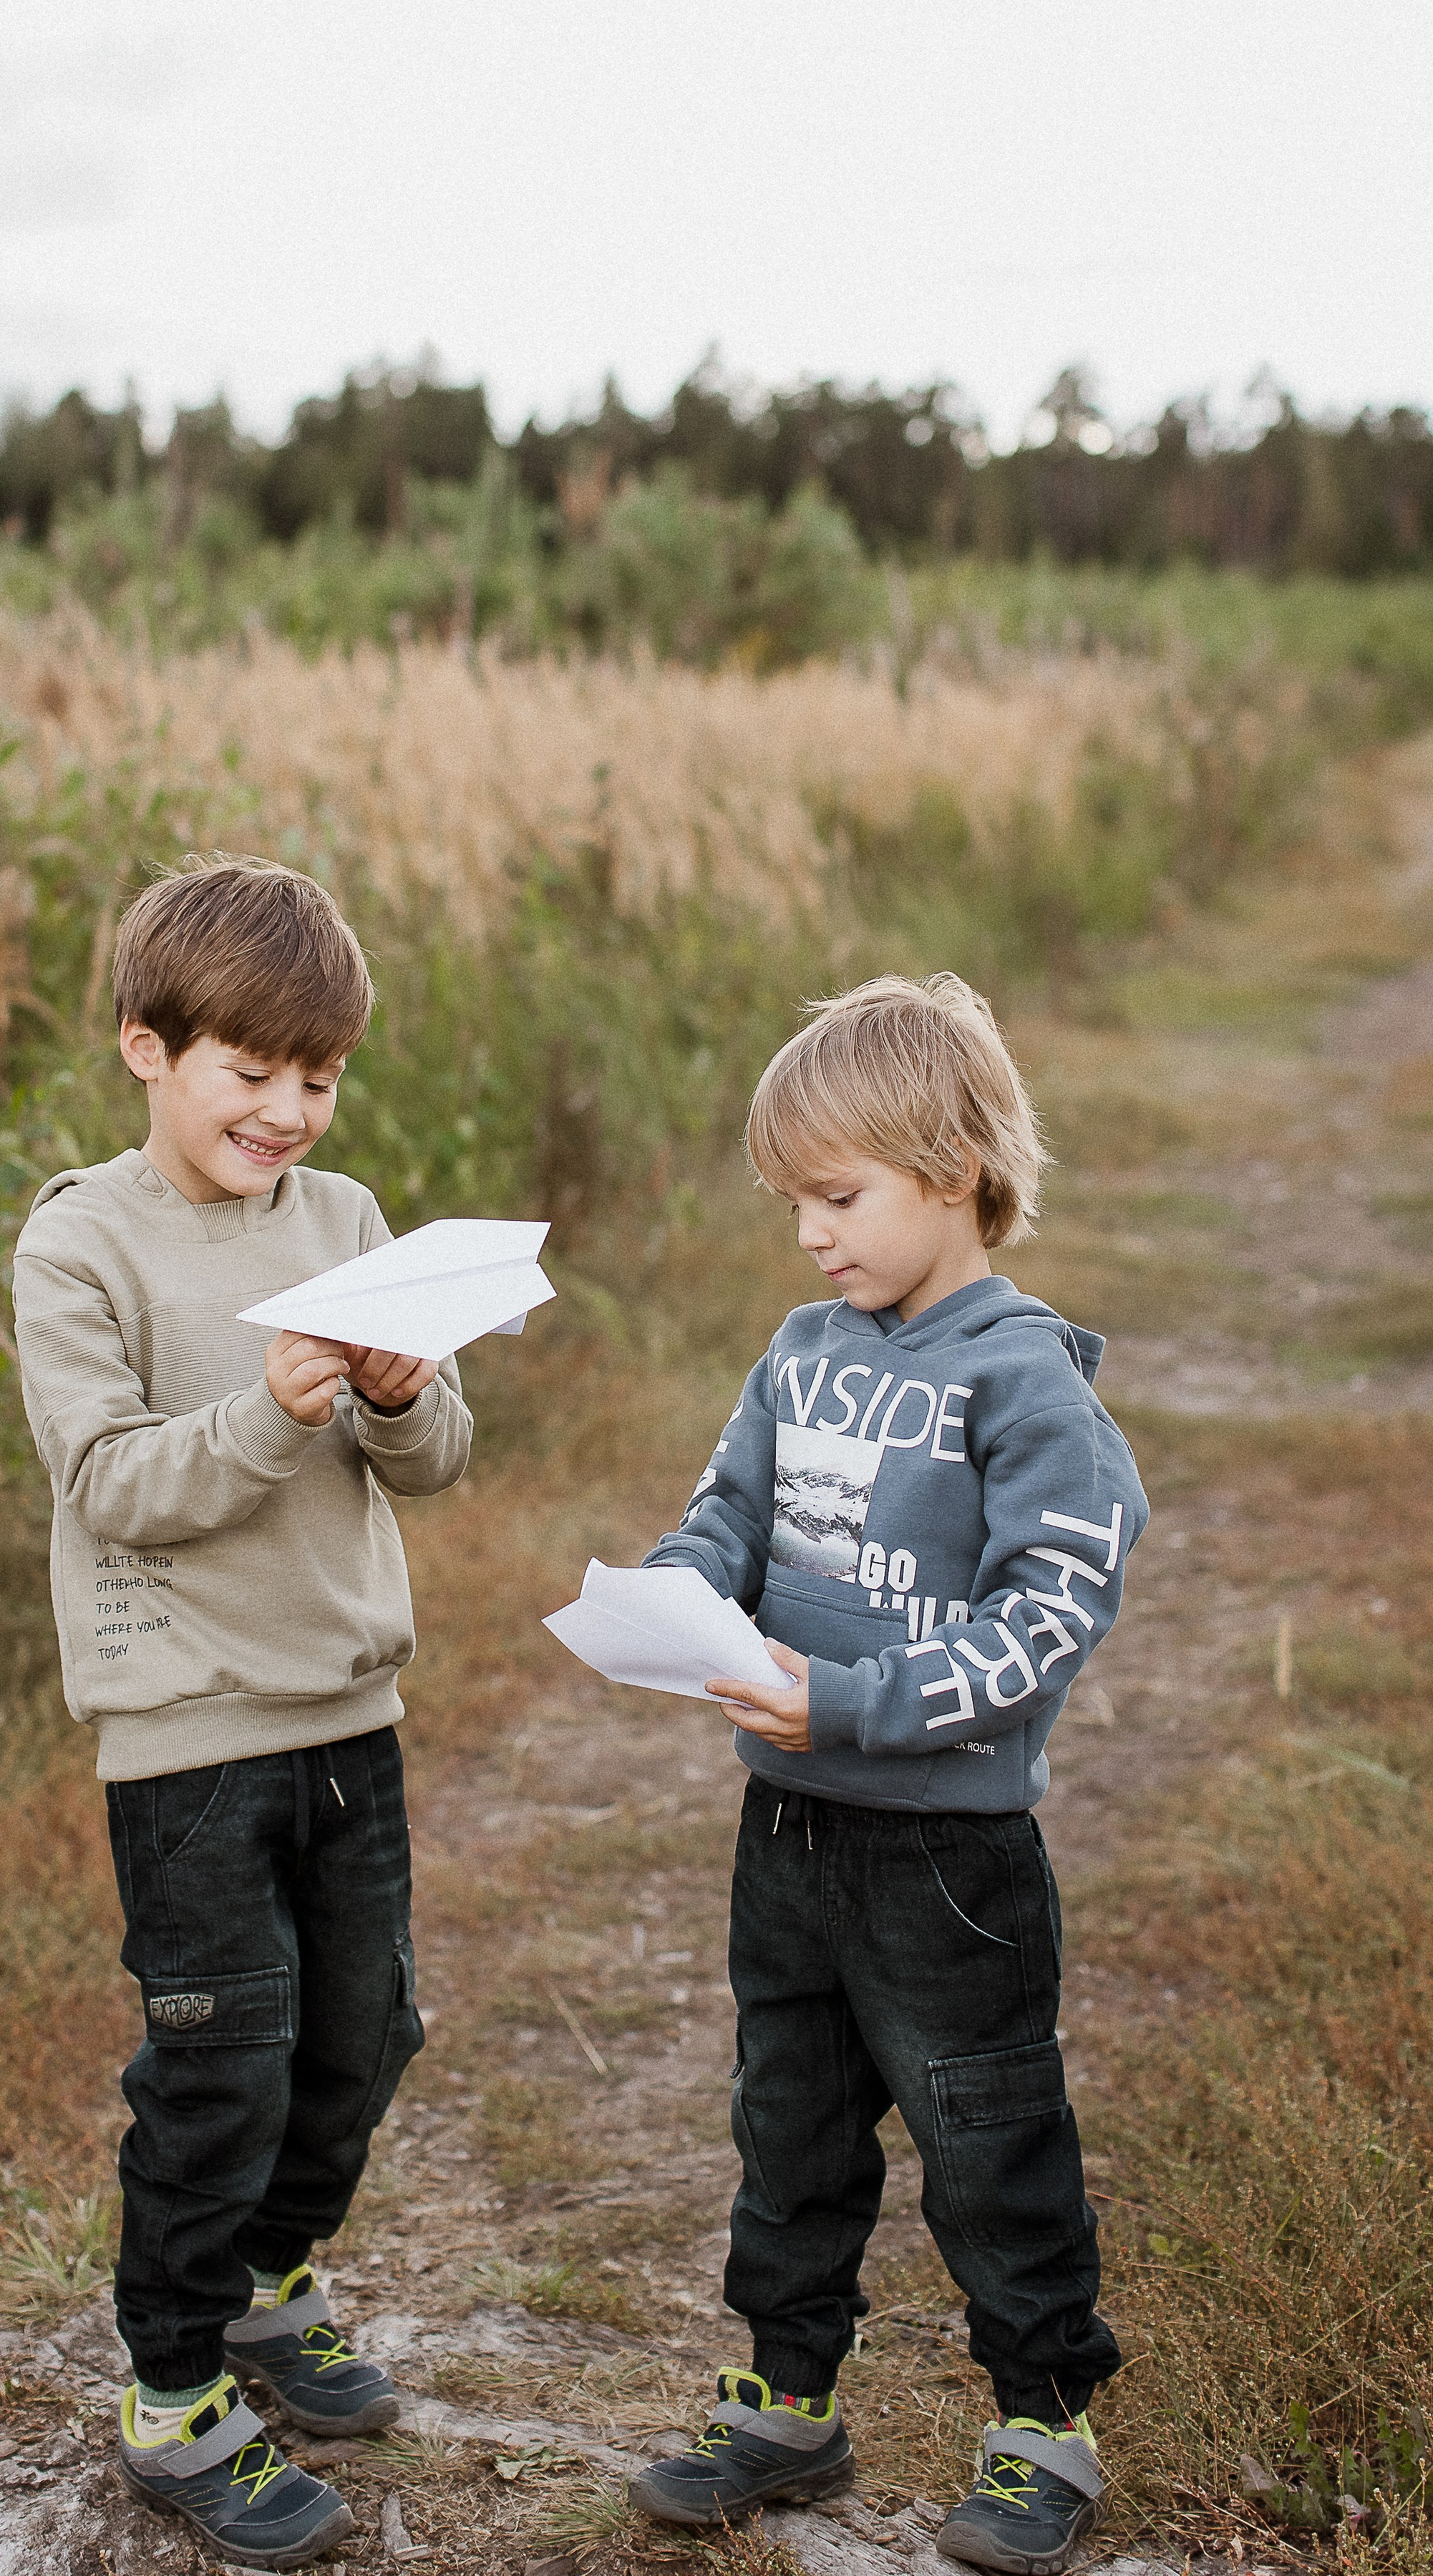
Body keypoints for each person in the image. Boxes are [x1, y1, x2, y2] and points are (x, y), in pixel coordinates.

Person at [626, 972, 1147, 2576]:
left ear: (952, 1165)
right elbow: (727, 1508)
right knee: (787, 2126)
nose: (809, 1235)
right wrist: (675, 1589)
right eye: (792, 1203)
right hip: (783, 1829)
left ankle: (1039, 2424)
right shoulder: (800, 1352)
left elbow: (1044, 1616)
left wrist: (847, 1696)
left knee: (984, 2136)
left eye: (836, 1198)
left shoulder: (1024, 1381)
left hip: (945, 1855)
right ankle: (786, 2400)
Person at [13, 856, 471, 2571]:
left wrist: (401, 1393)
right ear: (147, 1046)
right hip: (189, 1737)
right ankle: (171, 2385)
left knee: (366, 2036)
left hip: (348, 1708)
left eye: (319, 1077)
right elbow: (115, 1483)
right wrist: (277, 1411)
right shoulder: (80, 1242)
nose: (286, 1111)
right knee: (221, 2066)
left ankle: (274, 2286)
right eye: (248, 1073)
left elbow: (430, 1462)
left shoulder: (347, 1223)